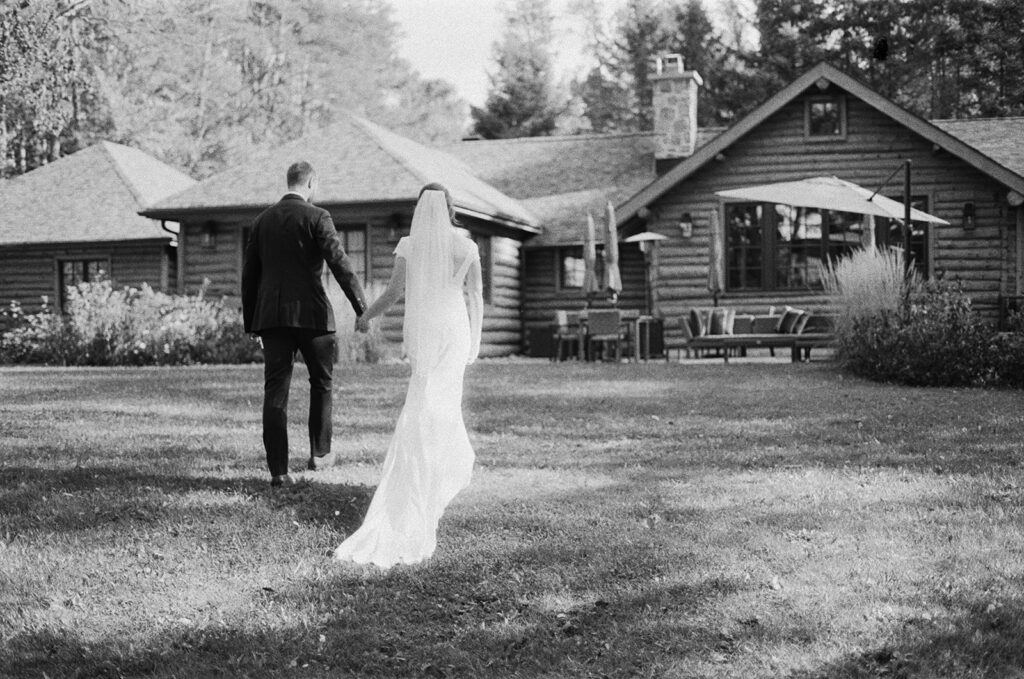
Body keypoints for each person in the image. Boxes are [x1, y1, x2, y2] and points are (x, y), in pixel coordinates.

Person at [333, 183, 483, 568]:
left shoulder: (408, 245)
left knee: (423, 402)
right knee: (442, 403)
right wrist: (475, 343)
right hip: (455, 327)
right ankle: (439, 472)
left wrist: (366, 315)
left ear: (420, 209)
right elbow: (476, 298)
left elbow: (394, 293)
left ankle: (423, 474)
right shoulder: (467, 247)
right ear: (450, 208)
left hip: (427, 330)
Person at [241, 161, 367, 488]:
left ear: (289, 182)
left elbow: (249, 276)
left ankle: (278, 472)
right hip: (313, 314)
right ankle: (320, 455)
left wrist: (253, 323)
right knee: (321, 383)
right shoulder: (317, 217)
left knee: (275, 391)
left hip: (272, 318)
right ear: (311, 183)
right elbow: (340, 264)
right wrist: (360, 308)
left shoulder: (261, 221)